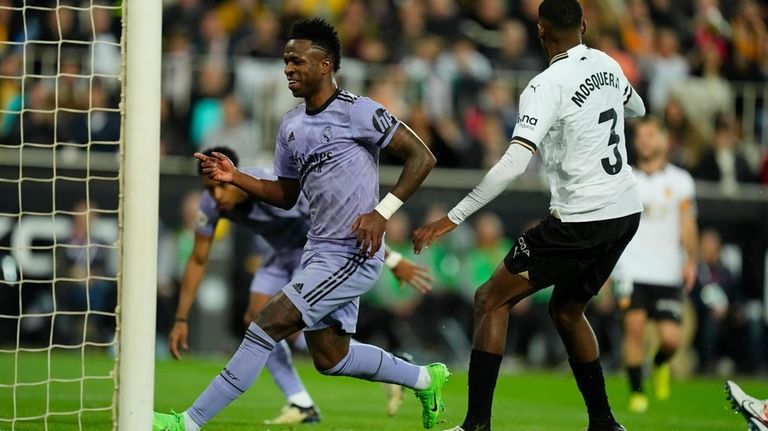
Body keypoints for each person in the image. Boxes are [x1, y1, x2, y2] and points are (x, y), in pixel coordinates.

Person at [154, 18, 448, 431]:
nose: (288, 68)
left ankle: (187, 422)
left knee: (265, 323)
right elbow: (287, 195)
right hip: (318, 250)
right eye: (285, 61)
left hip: (352, 253)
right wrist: (235, 176)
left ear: (325, 64)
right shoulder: (291, 126)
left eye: (297, 61)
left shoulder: (360, 112)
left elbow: (423, 157)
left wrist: (383, 213)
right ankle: (424, 378)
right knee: (332, 358)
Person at [412, 1, 646, 430]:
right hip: (625, 212)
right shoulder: (609, 63)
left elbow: (515, 162)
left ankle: (476, 425)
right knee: (567, 311)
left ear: (540, 32)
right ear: (584, 25)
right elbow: (639, 110)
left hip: (582, 218)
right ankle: (605, 423)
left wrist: (455, 215)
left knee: (489, 298)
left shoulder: (545, 85)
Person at [168, 146, 433, 425]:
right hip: (281, 255)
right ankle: (302, 401)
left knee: (286, 329)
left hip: (316, 253)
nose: (216, 196)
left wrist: (392, 261)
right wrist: (181, 317)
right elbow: (198, 260)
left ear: (235, 174)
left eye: (221, 187)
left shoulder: (271, 188)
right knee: (259, 320)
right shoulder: (210, 205)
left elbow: (346, 223)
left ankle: (389, 369)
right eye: (209, 189)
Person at [611, 116, 698, 413]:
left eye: (650, 135)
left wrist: (691, 260)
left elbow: (688, 224)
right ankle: (637, 392)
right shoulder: (625, 178)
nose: (644, 141)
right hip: (630, 269)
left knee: (671, 339)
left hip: (666, 270)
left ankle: (660, 363)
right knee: (633, 329)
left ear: (664, 140)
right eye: (640, 136)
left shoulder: (681, 181)